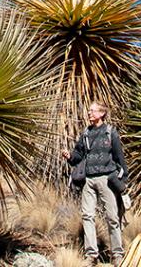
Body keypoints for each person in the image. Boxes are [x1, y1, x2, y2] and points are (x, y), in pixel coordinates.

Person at [63, 101, 128, 267]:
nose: (89, 114)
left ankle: (117, 255)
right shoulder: (85, 134)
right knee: (87, 216)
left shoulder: (110, 132)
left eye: (92, 111)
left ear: (101, 114)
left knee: (113, 218)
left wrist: (122, 181)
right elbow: (78, 155)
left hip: (107, 179)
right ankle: (92, 255)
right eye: (89, 111)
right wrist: (70, 157)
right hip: (89, 180)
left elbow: (119, 158)